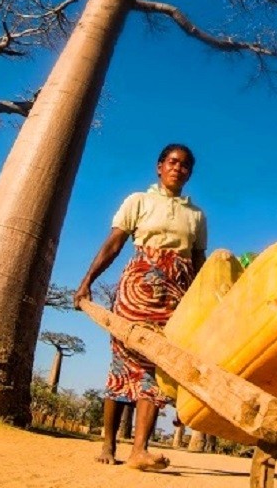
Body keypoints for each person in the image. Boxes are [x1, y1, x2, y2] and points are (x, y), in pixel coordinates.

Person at [73, 143, 206, 472]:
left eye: (185, 165)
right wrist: (87, 280)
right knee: (122, 363)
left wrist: (203, 305)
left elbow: (200, 264)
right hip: (136, 292)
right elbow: (114, 244)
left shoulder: (197, 216)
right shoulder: (139, 201)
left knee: (156, 368)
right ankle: (108, 441)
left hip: (174, 299)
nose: (178, 168)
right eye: (173, 162)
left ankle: (140, 450)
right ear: (159, 166)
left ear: (189, 173)